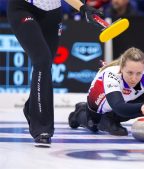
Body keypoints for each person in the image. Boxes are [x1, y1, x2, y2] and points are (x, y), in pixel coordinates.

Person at [6, 0, 105, 147]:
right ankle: (41, 129)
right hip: (23, 8)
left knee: (45, 65)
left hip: (52, 13)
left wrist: (83, 8)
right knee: (42, 60)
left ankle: (31, 108)